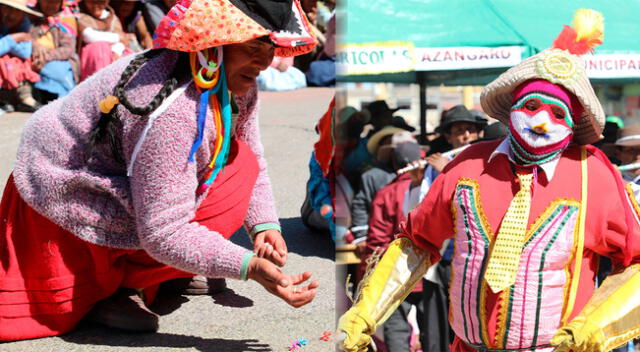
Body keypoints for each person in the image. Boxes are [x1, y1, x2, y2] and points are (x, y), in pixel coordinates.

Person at [0, 0, 318, 341]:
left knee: (241, 169)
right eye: (253, 45)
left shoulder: (232, 84)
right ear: (216, 41)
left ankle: (161, 270)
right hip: (59, 204)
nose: (266, 61)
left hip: (113, 188)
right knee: (200, 210)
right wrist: (248, 266)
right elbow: (163, 231)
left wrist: (264, 226)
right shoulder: (172, 109)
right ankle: (118, 287)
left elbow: (250, 152)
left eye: (270, 47)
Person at [339, 9, 640, 352]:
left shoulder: (593, 176)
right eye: (531, 106)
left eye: (558, 113)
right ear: (512, 107)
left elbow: (636, 261)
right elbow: (417, 242)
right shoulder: (468, 163)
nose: (542, 122)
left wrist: (596, 325)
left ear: (573, 123)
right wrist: (366, 312)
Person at [361, 141, 424, 352]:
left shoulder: (386, 194)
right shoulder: (432, 189)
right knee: (433, 330)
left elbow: (377, 243)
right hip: (429, 274)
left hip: (395, 275)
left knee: (396, 330)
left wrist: (369, 278)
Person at [30, 0, 79, 102]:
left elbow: (68, 49)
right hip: (34, 57)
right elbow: (25, 37)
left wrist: (46, 57)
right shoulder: (31, 17)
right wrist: (35, 46)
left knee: (57, 71)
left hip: (59, 60)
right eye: (47, 1)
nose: (51, 5)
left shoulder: (66, 20)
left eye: (55, 2)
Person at [0, 0, 42, 112]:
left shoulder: (23, 23)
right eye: (7, 8)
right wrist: (13, 39)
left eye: (16, 11)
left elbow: (25, 52)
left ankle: (25, 98)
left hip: (10, 66)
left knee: (15, 61)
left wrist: (7, 45)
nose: (11, 14)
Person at [76, 0, 131, 81]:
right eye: (93, 2)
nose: (96, 5)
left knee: (127, 55)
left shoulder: (111, 17)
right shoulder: (79, 14)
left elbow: (123, 41)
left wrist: (116, 50)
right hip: (91, 59)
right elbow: (89, 36)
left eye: (101, 1)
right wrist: (117, 38)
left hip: (113, 55)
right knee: (100, 48)